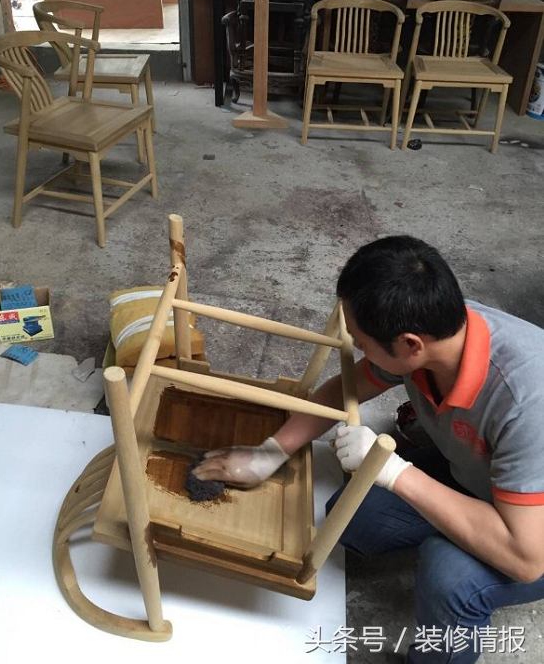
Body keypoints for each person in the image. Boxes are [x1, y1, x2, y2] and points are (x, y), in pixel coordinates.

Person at [193, 235, 544, 663]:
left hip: (533, 537)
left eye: (362, 343)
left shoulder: (527, 402)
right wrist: (269, 453)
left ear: (410, 345)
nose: (359, 349)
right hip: (483, 476)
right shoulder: (437, 327)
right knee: (352, 516)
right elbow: (348, 388)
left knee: (448, 574)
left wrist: (395, 473)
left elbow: (526, 559)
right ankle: (466, 528)